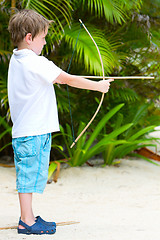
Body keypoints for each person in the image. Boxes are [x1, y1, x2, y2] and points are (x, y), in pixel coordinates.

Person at [8, 9, 114, 235]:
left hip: (30, 131)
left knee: (29, 175)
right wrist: (98, 86)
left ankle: (28, 216)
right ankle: (26, 222)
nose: (45, 42)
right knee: (27, 177)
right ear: (29, 38)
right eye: (43, 37)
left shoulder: (17, 59)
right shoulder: (35, 62)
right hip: (32, 132)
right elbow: (67, 79)